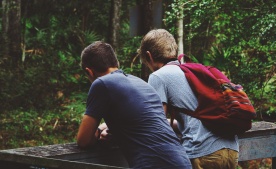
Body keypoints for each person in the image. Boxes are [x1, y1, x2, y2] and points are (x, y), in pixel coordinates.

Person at [76, 41, 192, 169]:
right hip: (181, 160)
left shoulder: (101, 84)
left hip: (154, 164)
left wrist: (97, 131)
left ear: (90, 72)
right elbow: (142, 122)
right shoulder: (141, 84)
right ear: (116, 63)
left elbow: (83, 141)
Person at [137, 29, 239, 169]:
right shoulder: (191, 73)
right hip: (231, 150)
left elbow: (156, 125)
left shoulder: (158, 76)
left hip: (202, 152)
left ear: (149, 56)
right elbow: (193, 120)